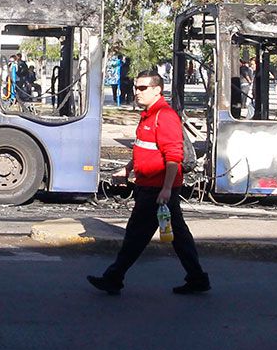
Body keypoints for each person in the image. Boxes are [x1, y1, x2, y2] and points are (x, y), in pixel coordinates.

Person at [87, 70, 210, 296]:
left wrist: (165, 189)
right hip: (150, 186)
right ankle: (197, 278)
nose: (137, 92)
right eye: (136, 87)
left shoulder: (164, 116)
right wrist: (128, 168)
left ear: (157, 90)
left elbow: (174, 157)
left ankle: (113, 277)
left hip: (157, 189)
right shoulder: (147, 116)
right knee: (178, 236)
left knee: (136, 235)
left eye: (142, 88)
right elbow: (143, 148)